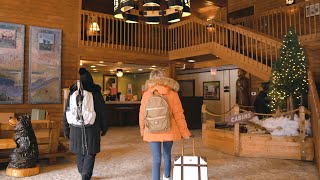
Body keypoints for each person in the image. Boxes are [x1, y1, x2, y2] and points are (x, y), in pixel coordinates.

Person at [139, 69, 192, 180]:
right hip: (169, 129)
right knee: (167, 155)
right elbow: (179, 114)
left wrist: (142, 129)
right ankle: (167, 177)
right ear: (164, 78)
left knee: (156, 158)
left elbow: (142, 114)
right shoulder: (172, 93)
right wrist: (184, 132)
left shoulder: (146, 94)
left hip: (151, 130)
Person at [64, 68, 108, 180]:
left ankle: (82, 172)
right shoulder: (95, 92)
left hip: (75, 127)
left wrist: (66, 129)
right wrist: (104, 126)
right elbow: (102, 111)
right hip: (92, 127)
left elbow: (67, 112)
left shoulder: (73, 91)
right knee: (90, 152)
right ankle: (85, 175)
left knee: (80, 151)